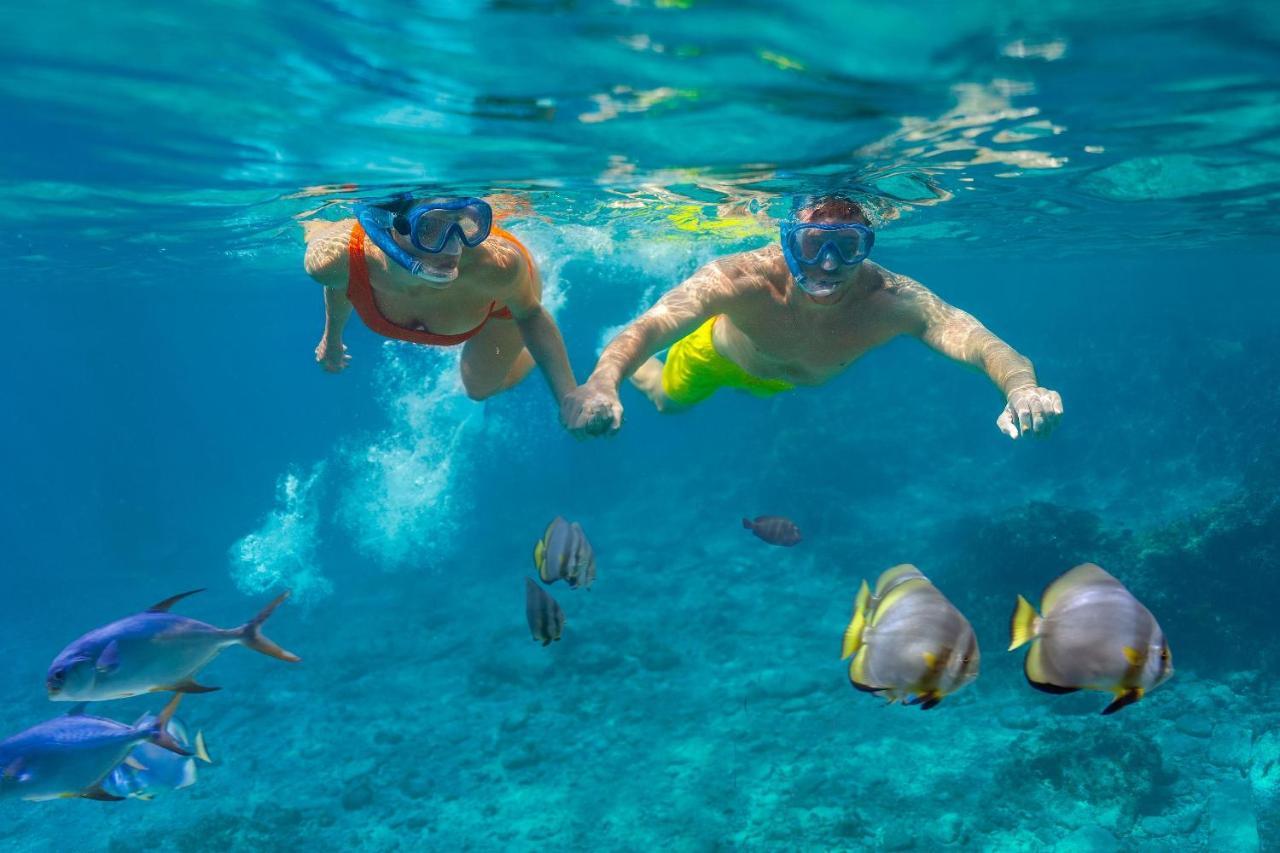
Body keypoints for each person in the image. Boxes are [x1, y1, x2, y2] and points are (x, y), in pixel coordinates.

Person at [561, 193, 1062, 439]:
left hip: (785, 381)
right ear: (785, 238)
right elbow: (654, 324)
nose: (828, 264)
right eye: (813, 243)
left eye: (847, 246)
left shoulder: (892, 298)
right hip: (716, 356)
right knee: (668, 401)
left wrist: (1021, 387)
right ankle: (641, 370)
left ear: (867, 246)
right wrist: (605, 382)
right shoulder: (742, 278)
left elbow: (980, 342)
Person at [302, 195, 576, 408]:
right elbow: (341, 280)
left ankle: (531, 351)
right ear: (390, 227)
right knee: (478, 391)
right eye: (430, 227)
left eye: (466, 222)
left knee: (479, 389)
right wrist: (332, 337)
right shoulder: (332, 261)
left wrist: (569, 397)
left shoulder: (495, 267)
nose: (453, 248)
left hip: (503, 302)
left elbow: (528, 314)